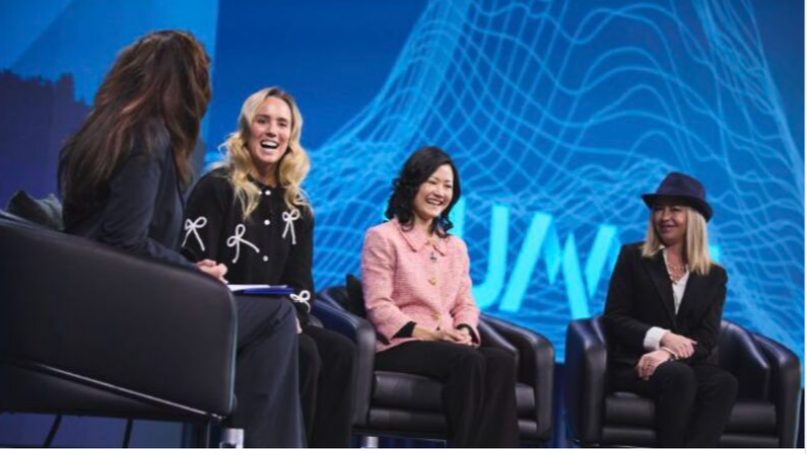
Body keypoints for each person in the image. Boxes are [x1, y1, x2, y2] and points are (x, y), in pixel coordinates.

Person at [58, 31, 304, 448]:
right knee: (277, 316)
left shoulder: (102, 131)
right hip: (126, 317)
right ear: (183, 83)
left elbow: (113, 237)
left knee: (278, 324)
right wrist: (191, 271)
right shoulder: (146, 138)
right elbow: (124, 241)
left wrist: (188, 270)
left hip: (95, 304)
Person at [180, 86, 357, 447]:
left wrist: (296, 317)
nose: (272, 131)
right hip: (228, 321)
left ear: (291, 137)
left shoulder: (299, 207)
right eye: (263, 121)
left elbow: (301, 283)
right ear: (247, 130)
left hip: (281, 320)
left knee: (341, 353)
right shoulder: (216, 187)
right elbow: (191, 261)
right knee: (304, 353)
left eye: (282, 124)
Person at [360, 146, 519, 447]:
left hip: (447, 345)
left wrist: (463, 329)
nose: (440, 192)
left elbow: (465, 303)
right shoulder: (383, 237)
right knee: (467, 361)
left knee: (501, 361)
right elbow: (378, 306)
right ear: (413, 185)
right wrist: (431, 335)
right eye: (433, 182)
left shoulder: (455, 246)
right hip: (402, 344)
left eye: (448, 186)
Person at [602, 172, 738, 447]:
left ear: (695, 219)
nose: (665, 217)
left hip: (682, 362)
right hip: (636, 363)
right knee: (680, 377)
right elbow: (615, 317)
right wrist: (660, 337)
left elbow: (707, 336)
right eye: (659, 209)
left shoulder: (714, 275)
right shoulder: (633, 256)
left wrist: (668, 351)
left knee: (723, 383)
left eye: (675, 209)